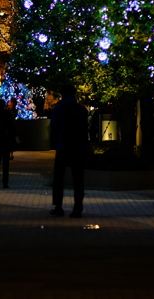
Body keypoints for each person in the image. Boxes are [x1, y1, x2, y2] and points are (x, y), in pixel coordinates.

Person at [50, 84, 89, 218]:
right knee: (78, 178)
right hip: (78, 148)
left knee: (58, 178)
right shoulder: (82, 110)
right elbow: (85, 129)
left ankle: (58, 206)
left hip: (62, 147)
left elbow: (53, 128)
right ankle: (77, 207)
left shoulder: (58, 109)